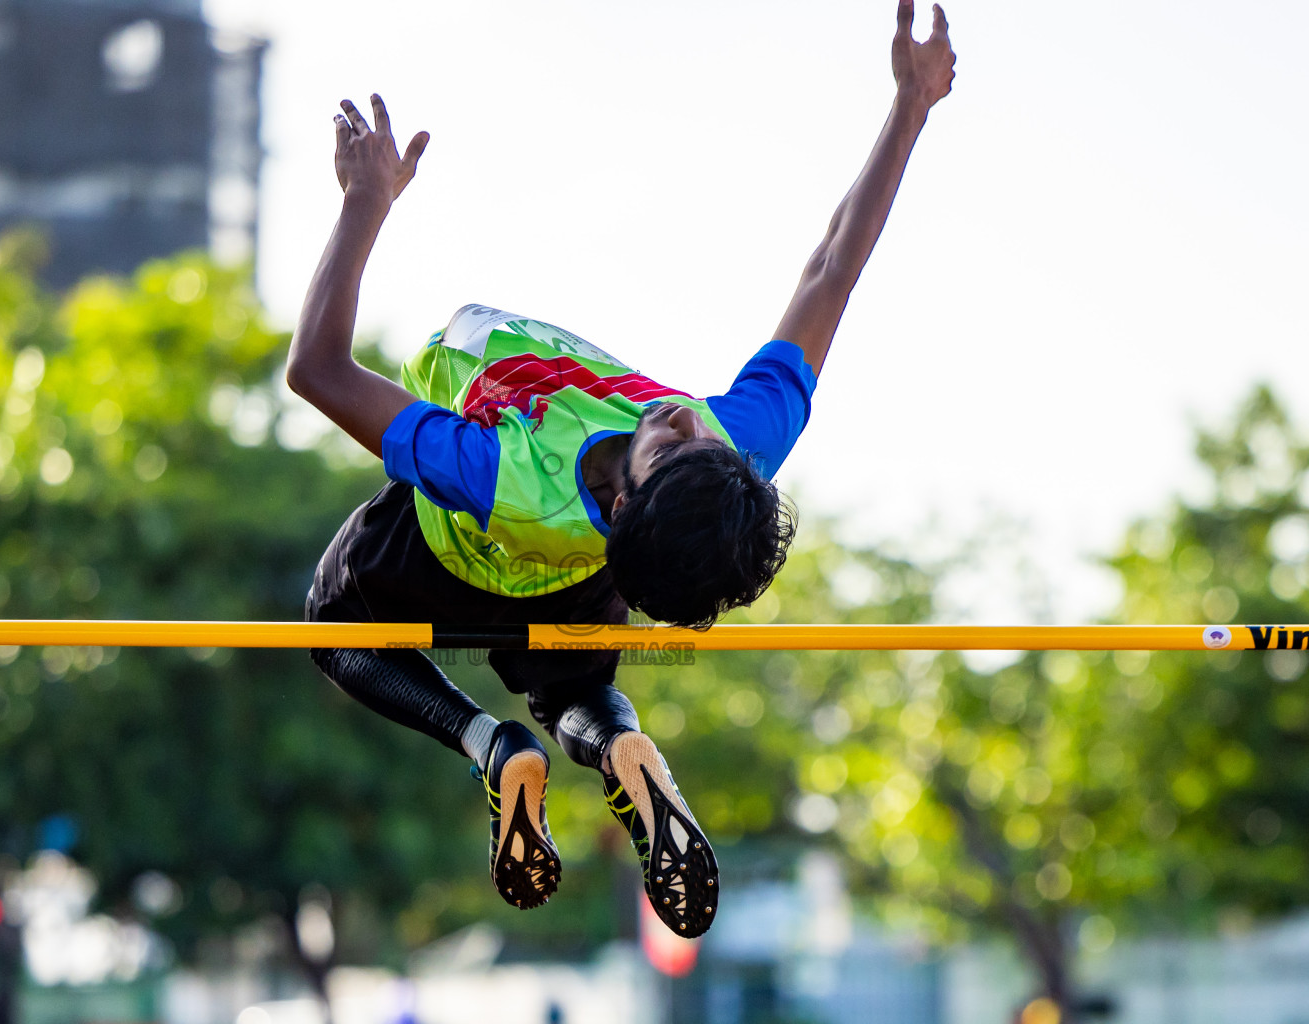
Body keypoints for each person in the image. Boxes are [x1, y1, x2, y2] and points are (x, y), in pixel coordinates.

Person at [288, 0, 956, 937]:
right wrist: (911, 109)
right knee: (573, 681)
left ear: (626, 492)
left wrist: (364, 207)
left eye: (669, 446)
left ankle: (490, 741)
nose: (683, 419)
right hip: (581, 581)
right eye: (703, 442)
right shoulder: (730, 458)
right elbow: (832, 272)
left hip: (442, 551)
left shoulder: (501, 473)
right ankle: (617, 746)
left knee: (332, 630)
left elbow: (316, 371)